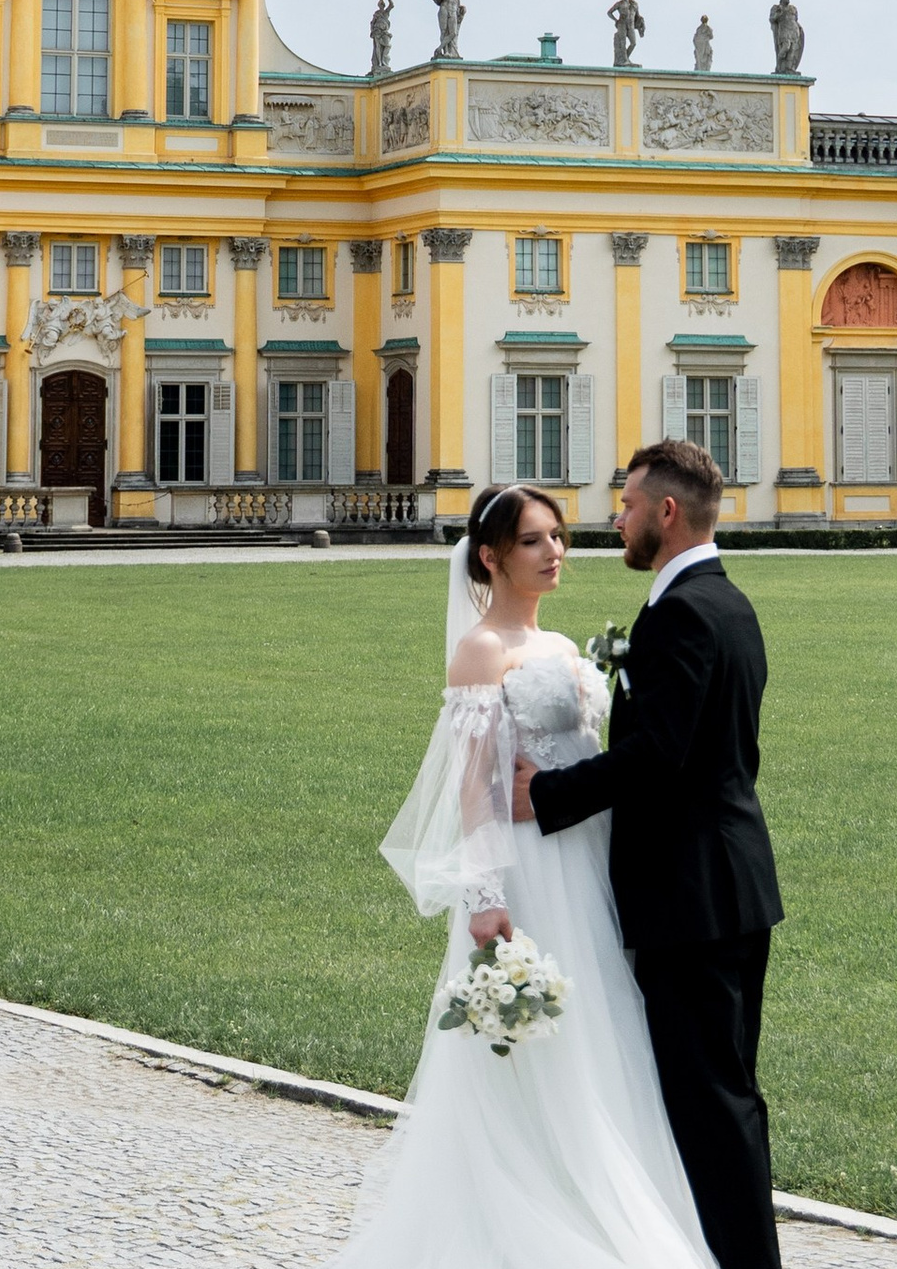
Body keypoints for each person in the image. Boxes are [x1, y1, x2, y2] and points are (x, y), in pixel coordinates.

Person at [340, 485, 715, 1269]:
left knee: (601, 1027)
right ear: (491, 557)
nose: (555, 554)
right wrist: (485, 900)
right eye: (534, 542)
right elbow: (473, 787)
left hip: (585, 860)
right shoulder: (482, 650)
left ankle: (593, 1186)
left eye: (558, 539)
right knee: (543, 1044)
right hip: (527, 871)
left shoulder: (558, 644)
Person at [518, 440, 785, 1269]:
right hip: (732, 885)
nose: (618, 518)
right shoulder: (729, 602)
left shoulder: (681, 615)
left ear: (666, 513)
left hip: (689, 899)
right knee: (727, 1097)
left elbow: (658, 755)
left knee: (711, 1105)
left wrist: (546, 794)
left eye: (628, 504)